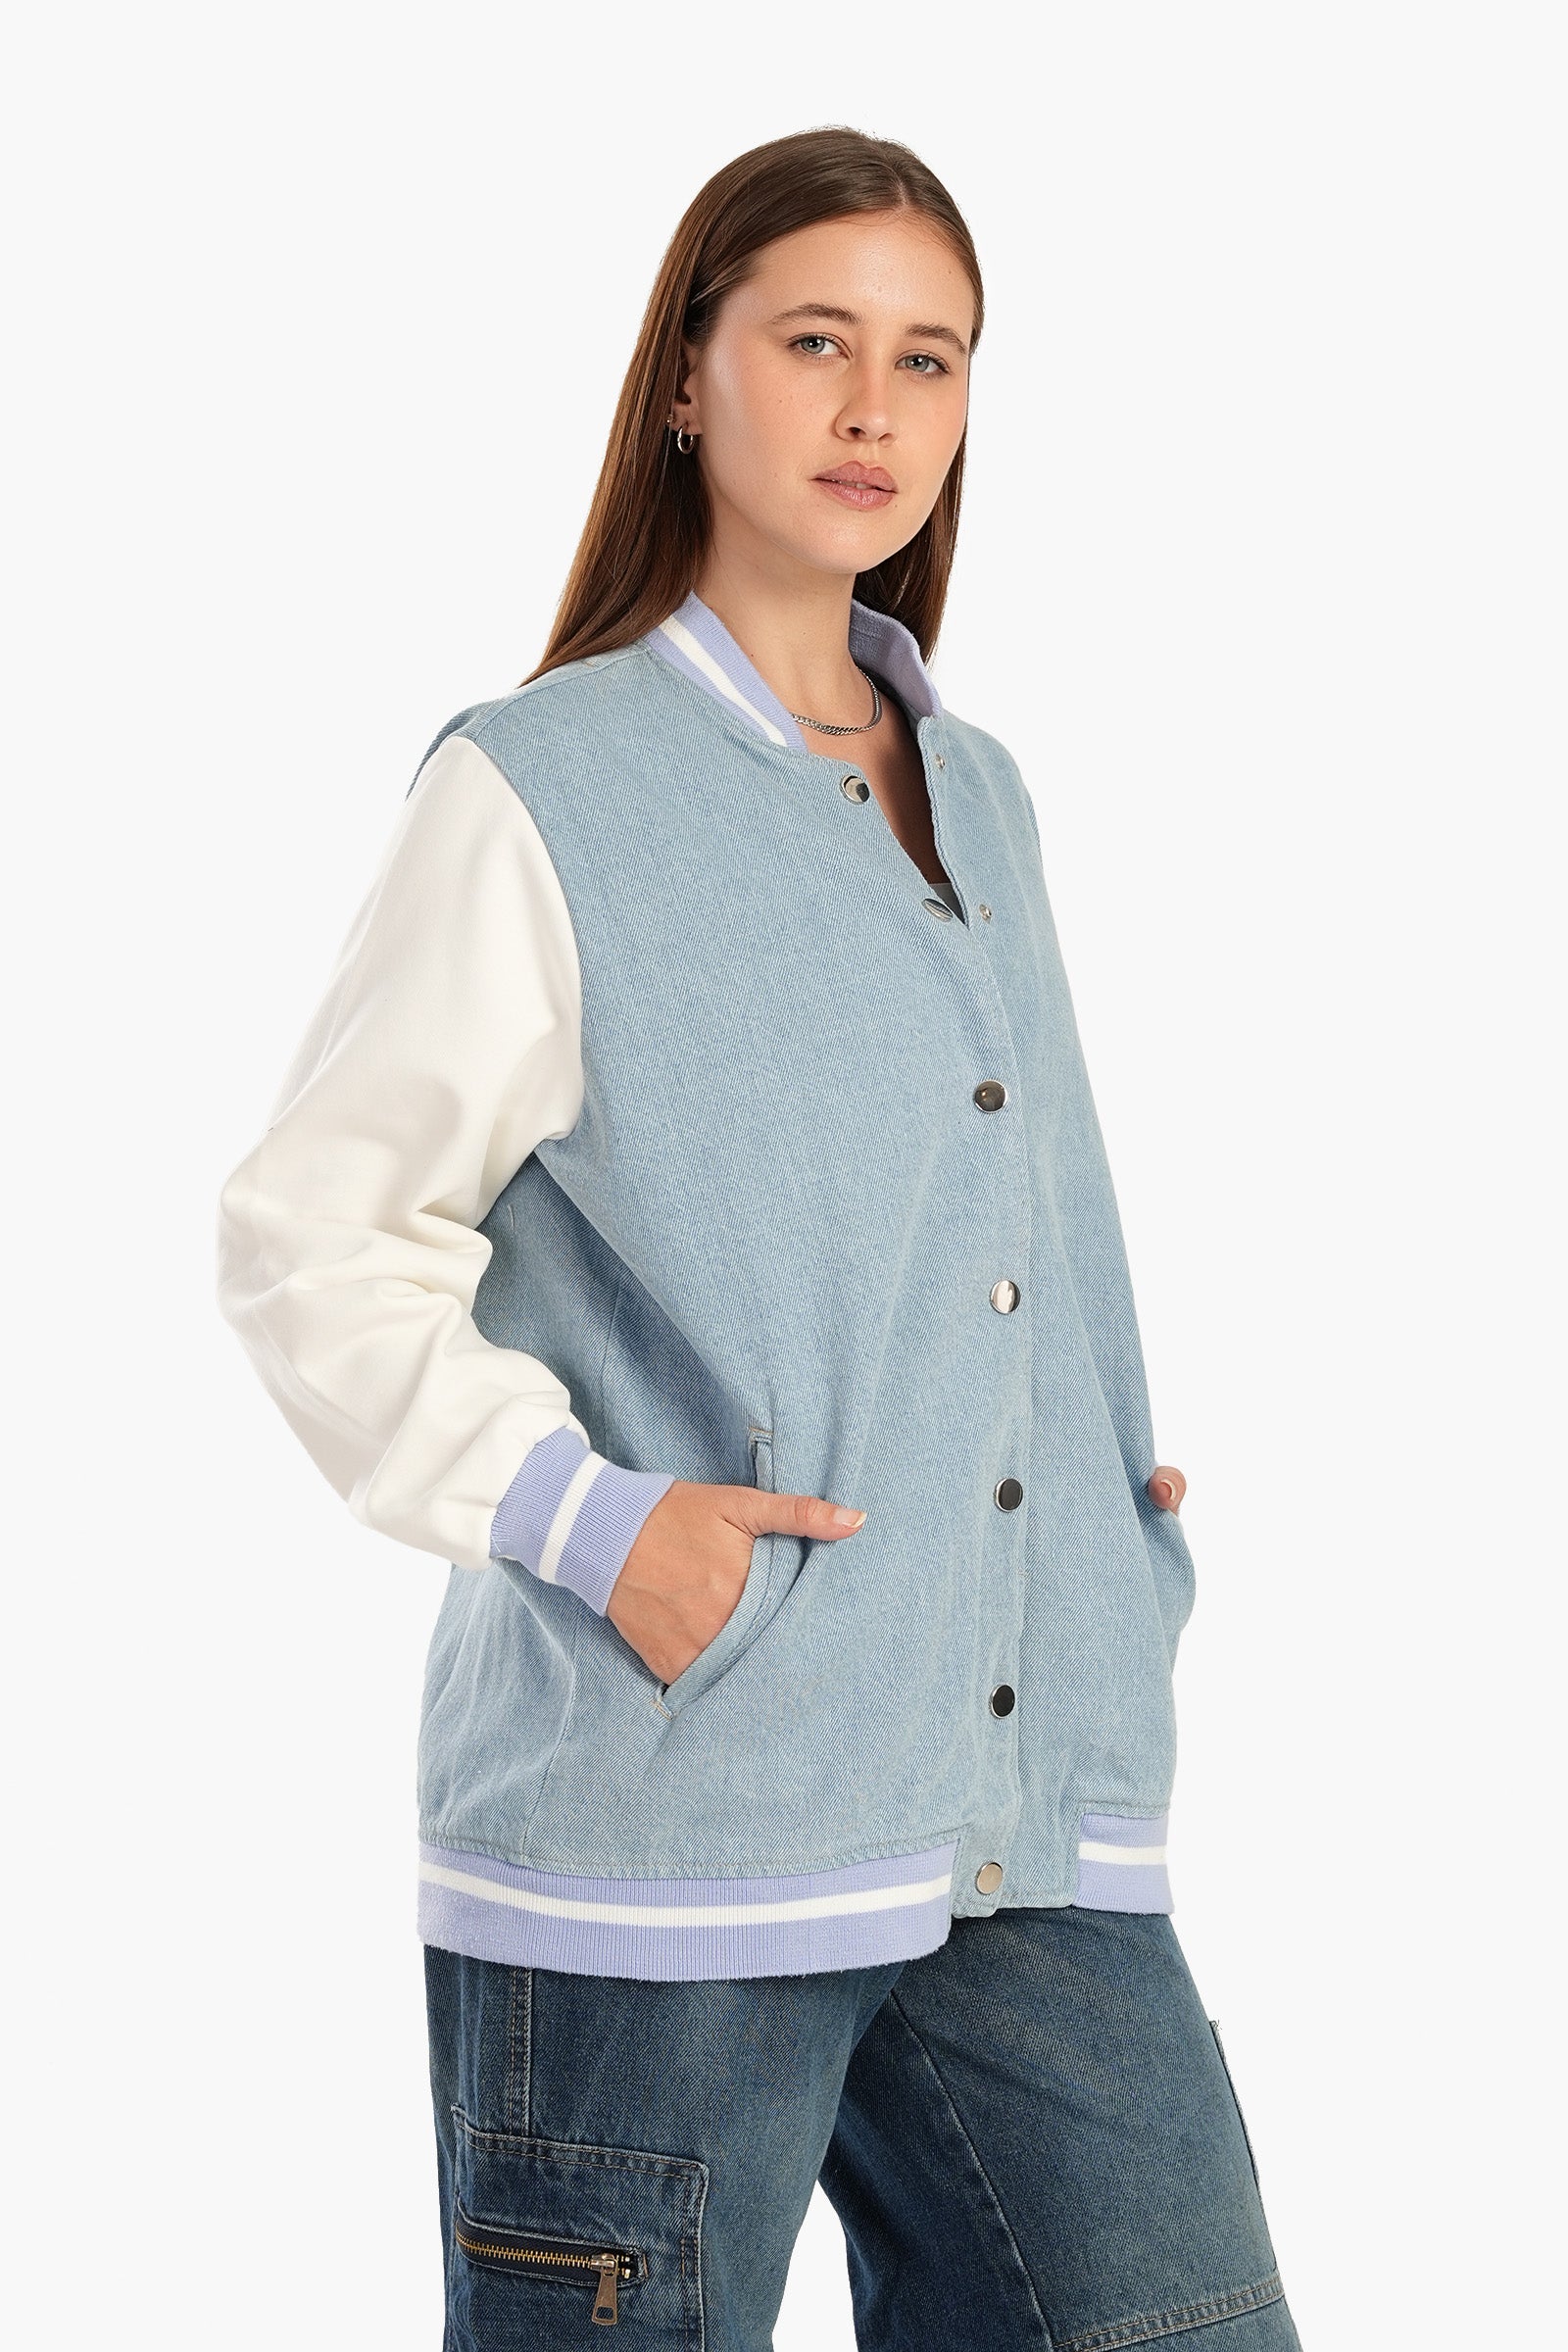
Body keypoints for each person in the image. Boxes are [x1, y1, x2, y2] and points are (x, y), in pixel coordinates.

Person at [217, 125, 1301, 2351]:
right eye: (815, 342)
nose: (874, 407)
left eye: (930, 357)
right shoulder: (541, 785)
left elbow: (986, 1211)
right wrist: (595, 1523)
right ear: (688, 379)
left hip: (1017, 1805)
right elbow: (313, 1230)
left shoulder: (977, 786)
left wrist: (1084, 1483)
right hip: (672, 1832)